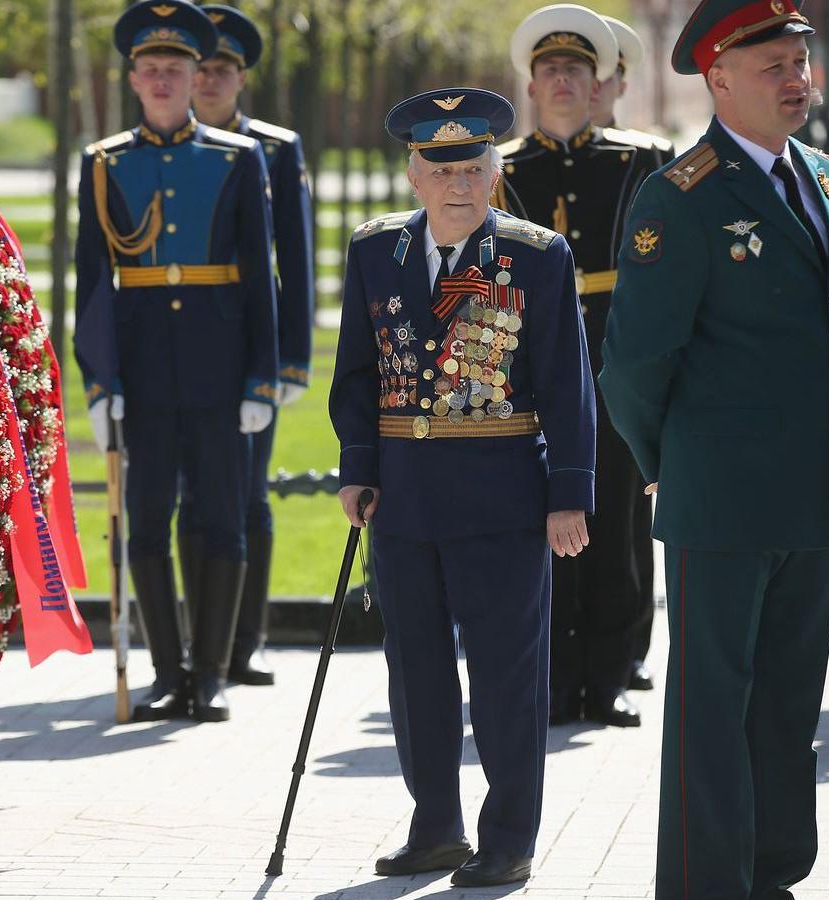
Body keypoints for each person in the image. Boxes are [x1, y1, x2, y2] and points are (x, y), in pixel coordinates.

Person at [600, 1, 829, 895]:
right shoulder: (681, 196)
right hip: (720, 493)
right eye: (775, 68)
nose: (799, 82)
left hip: (811, 491)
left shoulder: (824, 178)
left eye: (801, 62)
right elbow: (635, 363)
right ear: (718, 80)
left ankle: (774, 871)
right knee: (714, 705)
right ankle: (707, 880)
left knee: (789, 702)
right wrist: (671, 461)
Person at [332, 87, 594, 887]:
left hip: (502, 497)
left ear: (494, 172)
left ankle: (508, 837)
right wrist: (358, 467)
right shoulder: (376, 252)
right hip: (404, 499)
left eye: (475, 168)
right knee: (414, 672)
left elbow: (567, 380)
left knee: (507, 677)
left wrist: (569, 492)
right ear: (413, 173)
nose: (459, 184)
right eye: (441, 169)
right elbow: (357, 370)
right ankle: (435, 829)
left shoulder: (535, 255)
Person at [74, 0, 277, 723]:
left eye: (176, 68)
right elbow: (93, 282)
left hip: (220, 366)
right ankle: (167, 671)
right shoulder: (103, 164)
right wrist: (99, 382)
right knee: (147, 519)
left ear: (198, 77)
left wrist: (262, 375)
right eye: (150, 69)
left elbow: (259, 273)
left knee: (221, 516)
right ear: (133, 79)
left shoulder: (237, 158)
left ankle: (213, 671)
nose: (162, 80)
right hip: (143, 369)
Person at [497, 3, 667, 729]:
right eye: (548, 70)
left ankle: (610, 674)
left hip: (613, 359)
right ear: (530, 86)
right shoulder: (503, 169)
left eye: (574, 69)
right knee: (544, 518)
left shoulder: (639, 159)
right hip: (534, 365)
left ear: (596, 81)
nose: (562, 81)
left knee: (617, 517)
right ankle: (556, 674)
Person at [175, 4, 313, 688]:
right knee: (190, 498)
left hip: (252, 351)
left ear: (241, 77)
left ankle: (244, 641)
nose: (208, 80)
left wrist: (290, 360)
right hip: (186, 349)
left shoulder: (277, 149)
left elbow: (297, 257)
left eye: (221, 69)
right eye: (198, 69)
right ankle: (198, 640)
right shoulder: (169, 148)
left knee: (249, 495)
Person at [592, 11, 674, 697]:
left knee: (627, 506)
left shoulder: (644, 156)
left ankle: (628, 646)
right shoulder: (520, 162)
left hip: (622, 346)